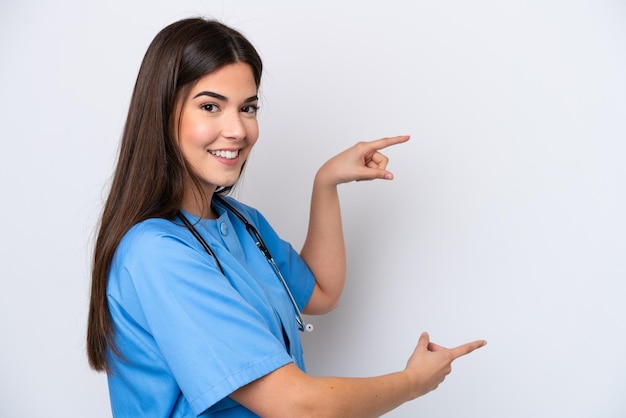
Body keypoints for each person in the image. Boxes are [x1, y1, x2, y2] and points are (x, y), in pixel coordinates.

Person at [86, 17, 486, 417]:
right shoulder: (157, 253)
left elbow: (321, 292)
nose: (237, 130)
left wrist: (326, 183)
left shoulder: (241, 222)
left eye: (248, 108)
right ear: (161, 113)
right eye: (210, 106)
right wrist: (413, 382)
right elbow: (299, 406)